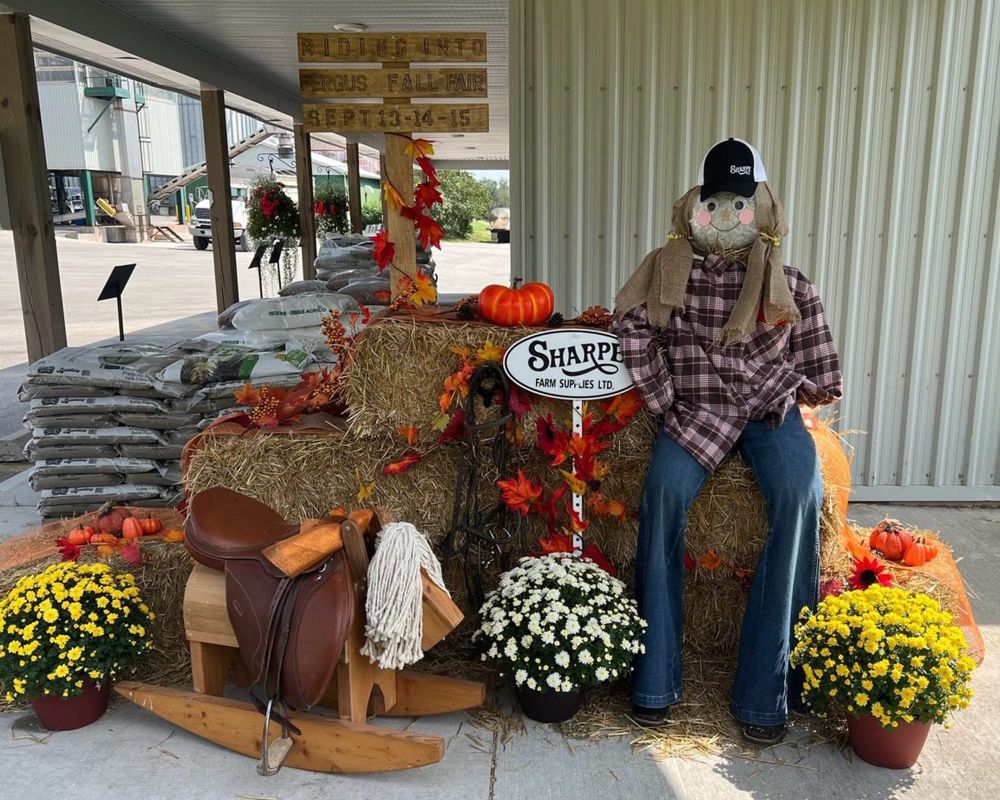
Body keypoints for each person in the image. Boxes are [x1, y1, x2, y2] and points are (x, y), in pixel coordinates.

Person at [612, 138, 842, 744]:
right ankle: (654, 680)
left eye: (739, 206)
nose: (725, 217)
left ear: (762, 212)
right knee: (660, 495)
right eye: (713, 204)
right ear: (692, 208)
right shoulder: (668, 272)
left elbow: (822, 373)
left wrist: (801, 395)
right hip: (697, 413)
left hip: (770, 412)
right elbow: (632, 327)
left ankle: (766, 695)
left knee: (799, 497)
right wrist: (663, 398)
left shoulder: (789, 284)